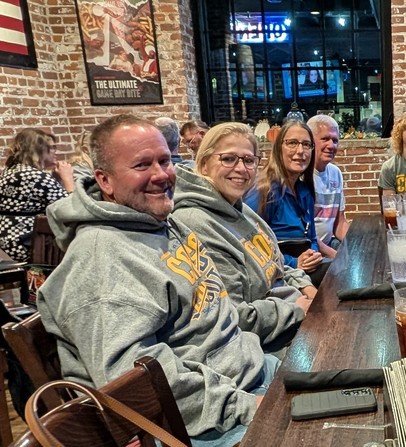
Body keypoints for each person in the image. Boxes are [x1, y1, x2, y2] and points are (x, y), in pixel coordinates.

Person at [36, 114, 272, 445]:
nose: (161, 175)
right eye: (142, 165)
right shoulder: (101, 261)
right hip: (204, 422)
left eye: (165, 160)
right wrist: (244, 406)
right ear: (105, 181)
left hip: (251, 369)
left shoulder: (159, 220)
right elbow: (137, 384)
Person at [172, 122, 315, 354]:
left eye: (249, 160)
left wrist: (307, 288)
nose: (241, 168)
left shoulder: (240, 208)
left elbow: (277, 265)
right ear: (204, 164)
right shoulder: (195, 223)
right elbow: (234, 315)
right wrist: (297, 310)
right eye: (228, 159)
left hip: (294, 317)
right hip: (269, 344)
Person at [244, 121, 328, 286]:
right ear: (278, 148)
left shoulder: (305, 191)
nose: (300, 151)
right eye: (292, 143)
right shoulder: (263, 191)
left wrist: (313, 255)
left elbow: (311, 238)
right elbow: (248, 246)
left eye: (306, 144)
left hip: (305, 270)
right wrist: (293, 263)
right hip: (276, 276)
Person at [0, 129, 73, 262]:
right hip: (28, 244)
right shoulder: (35, 176)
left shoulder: (13, 171)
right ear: (38, 149)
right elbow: (72, 210)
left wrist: (57, 180)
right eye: (51, 147)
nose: (55, 151)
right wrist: (68, 179)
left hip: (8, 242)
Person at [308, 115, 349, 258]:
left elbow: (340, 223)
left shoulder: (335, 172)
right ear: (310, 142)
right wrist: (337, 256)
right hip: (309, 250)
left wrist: (356, 243)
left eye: (335, 140)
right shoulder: (301, 176)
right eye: (325, 139)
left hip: (328, 243)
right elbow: (305, 235)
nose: (331, 145)